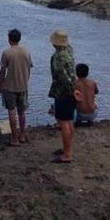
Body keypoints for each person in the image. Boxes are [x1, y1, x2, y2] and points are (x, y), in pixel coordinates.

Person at [0, 29, 33, 146]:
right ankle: (22, 135)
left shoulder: (7, 53)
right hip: (23, 86)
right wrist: (26, 81)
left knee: (11, 111)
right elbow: (29, 68)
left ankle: (14, 138)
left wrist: (0, 87)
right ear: (19, 39)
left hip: (10, 87)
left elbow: (2, 72)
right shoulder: (26, 52)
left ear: (9, 39)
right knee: (21, 112)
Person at [49, 30, 77, 163]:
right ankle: (68, 149)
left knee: (64, 122)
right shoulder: (69, 50)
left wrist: (70, 91)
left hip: (63, 92)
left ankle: (67, 154)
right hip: (71, 90)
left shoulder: (59, 56)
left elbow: (63, 77)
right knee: (69, 120)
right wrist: (74, 90)